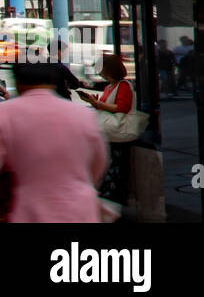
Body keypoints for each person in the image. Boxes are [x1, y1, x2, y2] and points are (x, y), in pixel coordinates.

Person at [0, 63, 108, 222]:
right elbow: (98, 162)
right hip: (81, 210)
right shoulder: (82, 114)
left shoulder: (6, 113)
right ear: (53, 81)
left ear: (17, 83)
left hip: (32, 210)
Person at [78, 55, 135, 209]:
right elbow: (106, 106)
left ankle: (114, 201)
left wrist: (98, 103)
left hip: (118, 135)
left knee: (115, 168)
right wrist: (94, 103)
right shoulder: (109, 87)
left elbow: (123, 108)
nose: (99, 73)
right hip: (109, 133)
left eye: (101, 69)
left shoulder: (123, 85)